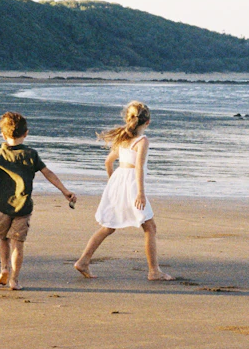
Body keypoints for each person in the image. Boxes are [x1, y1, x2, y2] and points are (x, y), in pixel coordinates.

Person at [0, 111, 77, 290]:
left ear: (3, 134)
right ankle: (14, 279)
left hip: (2, 205)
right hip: (23, 207)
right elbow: (48, 173)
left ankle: (4, 268)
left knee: (3, 239)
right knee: (18, 244)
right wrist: (64, 190)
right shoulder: (31, 154)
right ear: (26, 133)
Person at [74, 101, 174, 281]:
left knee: (108, 227)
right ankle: (154, 271)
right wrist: (140, 193)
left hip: (119, 180)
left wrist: (113, 181)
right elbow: (139, 168)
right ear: (148, 122)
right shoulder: (142, 141)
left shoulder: (122, 138)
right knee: (150, 227)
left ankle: (83, 261)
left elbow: (108, 162)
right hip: (132, 184)